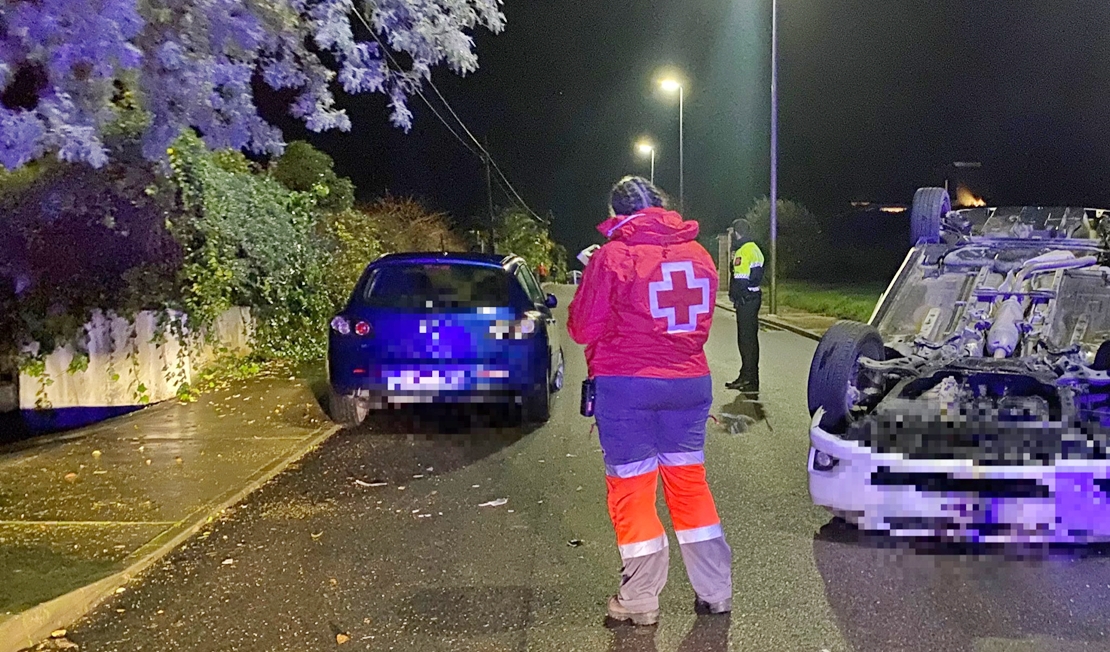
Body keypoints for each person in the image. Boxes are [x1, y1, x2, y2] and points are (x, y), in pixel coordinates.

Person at [568, 176, 733, 626]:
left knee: (633, 489)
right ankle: (715, 590)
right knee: (689, 484)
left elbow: (583, 328)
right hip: (689, 384)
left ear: (617, 213)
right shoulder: (699, 255)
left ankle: (640, 598)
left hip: (627, 388)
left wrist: (590, 280)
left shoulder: (612, 257)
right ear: (662, 206)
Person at [725, 218, 764, 393]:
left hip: (745, 299)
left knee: (745, 341)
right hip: (754, 296)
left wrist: (737, 296)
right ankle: (750, 376)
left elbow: (740, 279)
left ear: (736, 232)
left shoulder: (742, 251)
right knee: (751, 340)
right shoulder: (755, 249)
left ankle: (747, 379)